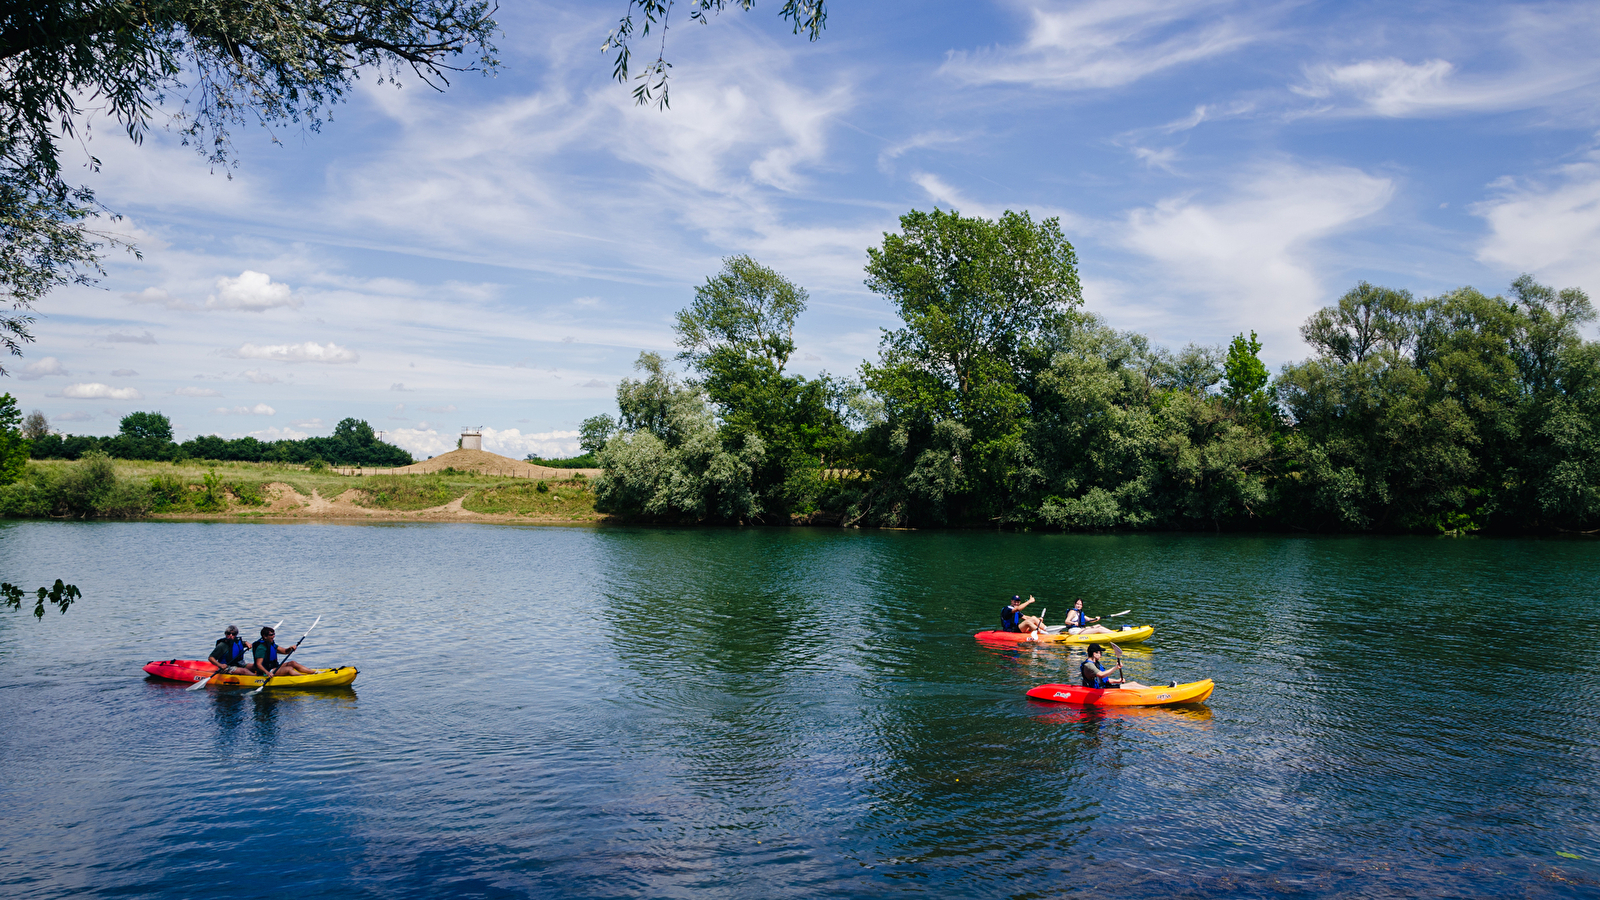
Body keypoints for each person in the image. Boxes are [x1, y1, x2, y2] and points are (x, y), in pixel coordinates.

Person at [251, 625, 316, 677]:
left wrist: (290, 648)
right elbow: (258, 664)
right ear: (265, 636)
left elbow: (285, 652)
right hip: (267, 671)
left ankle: (314, 673)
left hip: (274, 667)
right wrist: (267, 673)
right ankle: (303, 678)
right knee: (289, 669)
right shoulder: (261, 648)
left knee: (293, 663)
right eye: (271, 635)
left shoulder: (272, 644)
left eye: (274, 634)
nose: (273, 636)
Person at [1081, 644, 1147, 690]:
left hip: (1103, 688)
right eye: (1100, 653)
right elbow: (1101, 675)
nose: (1101, 655)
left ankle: (1152, 691)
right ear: (1094, 654)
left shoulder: (1095, 663)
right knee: (1132, 686)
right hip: (1098, 691)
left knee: (1133, 683)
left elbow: (1103, 680)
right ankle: (1153, 694)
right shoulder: (1089, 665)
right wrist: (1115, 667)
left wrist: (1117, 681)